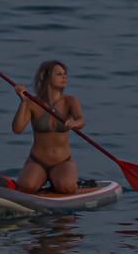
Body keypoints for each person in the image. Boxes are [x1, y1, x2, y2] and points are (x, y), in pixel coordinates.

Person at [11, 60, 84, 193]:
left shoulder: (70, 101)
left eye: (65, 74)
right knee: (27, 187)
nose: (64, 77)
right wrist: (24, 102)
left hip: (62, 161)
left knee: (66, 187)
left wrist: (74, 123)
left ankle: (64, 182)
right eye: (59, 74)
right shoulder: (32, 103)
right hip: (37, 161)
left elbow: (81, 121)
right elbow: (17, 129)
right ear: (46, 77)